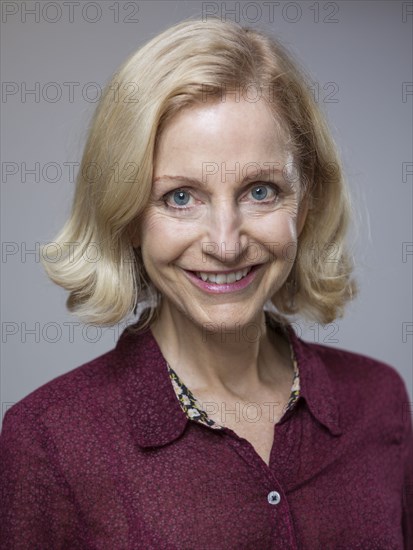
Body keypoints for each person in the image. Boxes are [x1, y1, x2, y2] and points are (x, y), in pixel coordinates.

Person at [1, 16, 411, 549]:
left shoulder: (379, 400)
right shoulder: (48, 441)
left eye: (260, 191)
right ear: (127, 217)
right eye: (180, 197)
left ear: (306, 204)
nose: (225, 242)